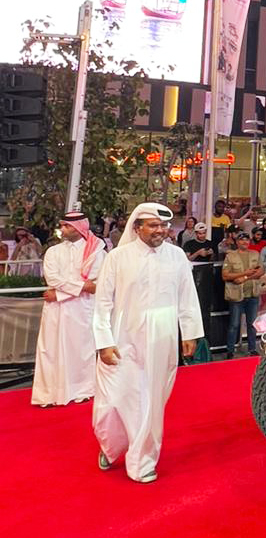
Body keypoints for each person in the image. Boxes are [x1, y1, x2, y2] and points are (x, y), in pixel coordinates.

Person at [92, 203, 203, 484]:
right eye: (153, 226)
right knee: (112, 402)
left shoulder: (177, 256)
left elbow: (187, 297)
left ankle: (142, 462)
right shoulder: (117, 258)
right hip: (121, 338)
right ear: (137, 226)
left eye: (164, 226)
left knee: (150, 402)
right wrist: (103, 341)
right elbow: (102, 304)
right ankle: (111, 445)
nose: (160, 231)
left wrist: (189, 333)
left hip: (162, 339)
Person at [31, 212, 105, 407]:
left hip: (82, 308)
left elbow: (96, 283)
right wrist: (78, 288)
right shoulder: (53, 252)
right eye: (62, 226)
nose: (62, 230)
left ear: (80, 228)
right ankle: (47, 394)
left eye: (67, 226)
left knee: (80, 349)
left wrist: (61, 294)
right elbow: (52, 279)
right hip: (56, 310)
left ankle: (82, 390)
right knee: (50, 349)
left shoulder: (97, 252)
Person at [221, 231, 265, 358]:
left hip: (253, 294)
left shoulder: (255, 254)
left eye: (246, 240)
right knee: (234, 324)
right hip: (236, 295)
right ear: (237, 242)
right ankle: (230, 350)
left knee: (252, 324)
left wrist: (244, 277)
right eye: (241, 240)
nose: (244, 242)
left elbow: (261, 271)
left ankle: (252, 349)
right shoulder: (231, 256)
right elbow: (225, 275)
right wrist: (244, 274)